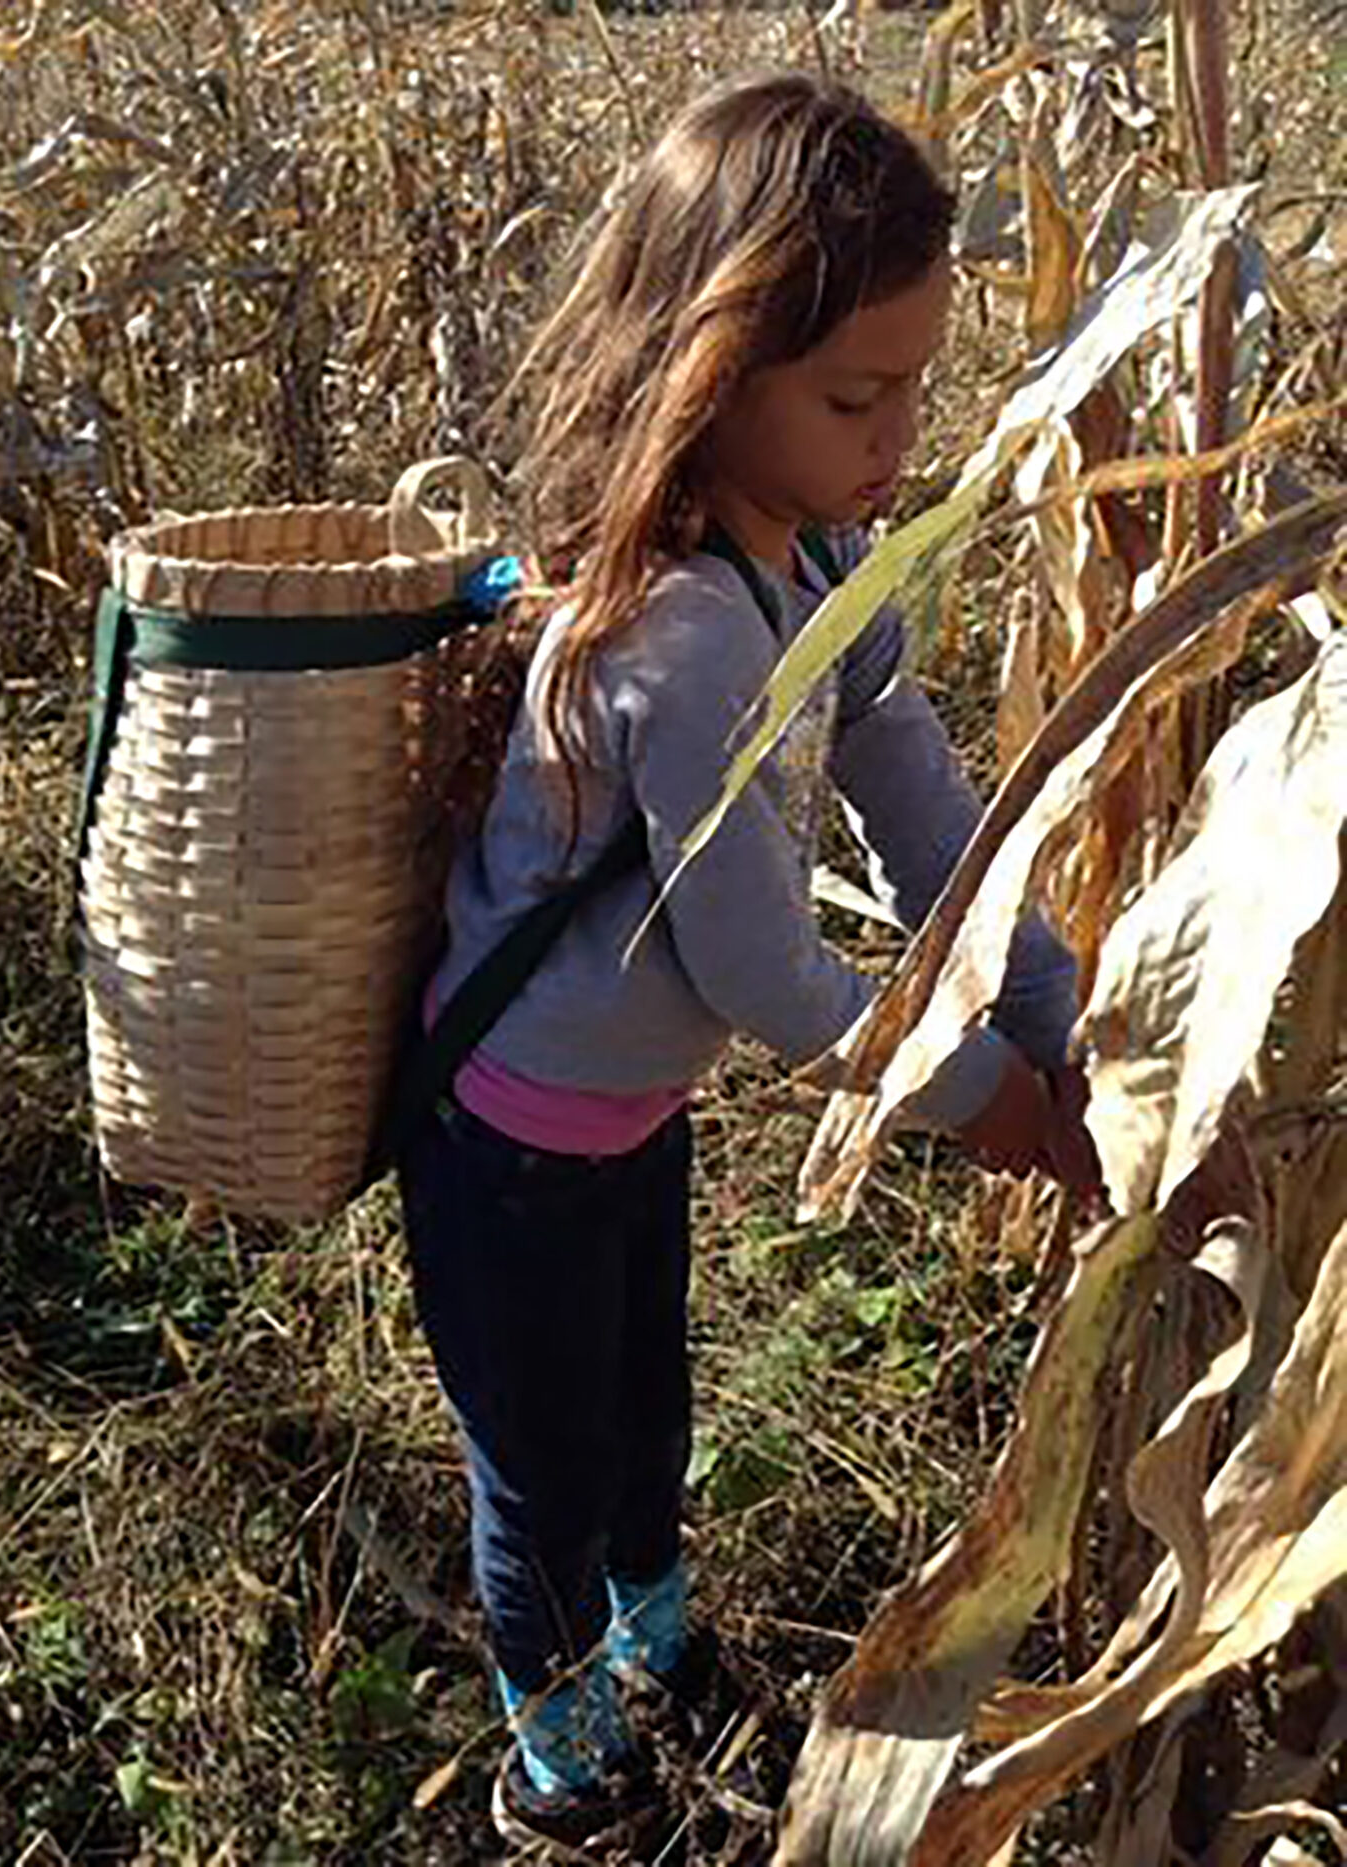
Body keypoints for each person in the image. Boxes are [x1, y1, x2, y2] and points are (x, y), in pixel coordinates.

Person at [395, 70, 1097, 1854]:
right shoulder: (693, 635)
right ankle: (563, 1769)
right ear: (710, 372)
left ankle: (662, 1645)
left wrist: (1071, 1012)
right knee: (542, 1468)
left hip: (624, 1127)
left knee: (648, 1415)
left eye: (916, 387)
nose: (897, 436)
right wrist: (990, 1098)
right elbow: (770, 978)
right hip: (513, 1152)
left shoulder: (821, 564)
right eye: (858, 394)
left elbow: (934, 811)